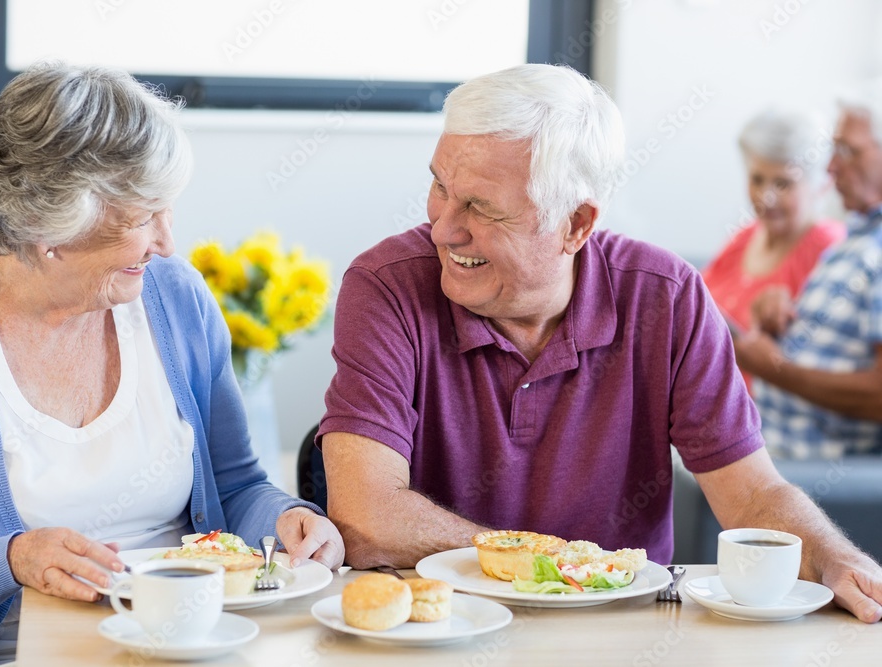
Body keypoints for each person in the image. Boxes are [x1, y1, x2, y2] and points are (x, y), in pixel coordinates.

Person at [317, 64, 882, 623]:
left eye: (482, 207)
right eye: (441, 186)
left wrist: (834, 556)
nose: (443, 227)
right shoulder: (385, 285)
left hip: (623, 630)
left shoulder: (668, 296)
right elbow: (366, 515)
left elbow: (753, 494)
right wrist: (554, 564)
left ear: (576, 225)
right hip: (442, 627)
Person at [0, 63, 344, 667]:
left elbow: (236, 486)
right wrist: (12, 559)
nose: (167, 243)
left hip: (190, 643)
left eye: (168, 211)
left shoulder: (176, 297)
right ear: (52, 230)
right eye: (143, 216)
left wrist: (291, 519)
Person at [735, 84, 882, 459]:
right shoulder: (855, 241)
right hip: (766, 441)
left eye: (847, 150)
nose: (831, 167)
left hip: (805, 469)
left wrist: (773, 367)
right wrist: (774, 318)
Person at [702, 109, 845, 388]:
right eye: (757, 179)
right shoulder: (744, 237)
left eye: (783, 183)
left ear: (822, 184)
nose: (766, 197)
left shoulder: (831, 249)